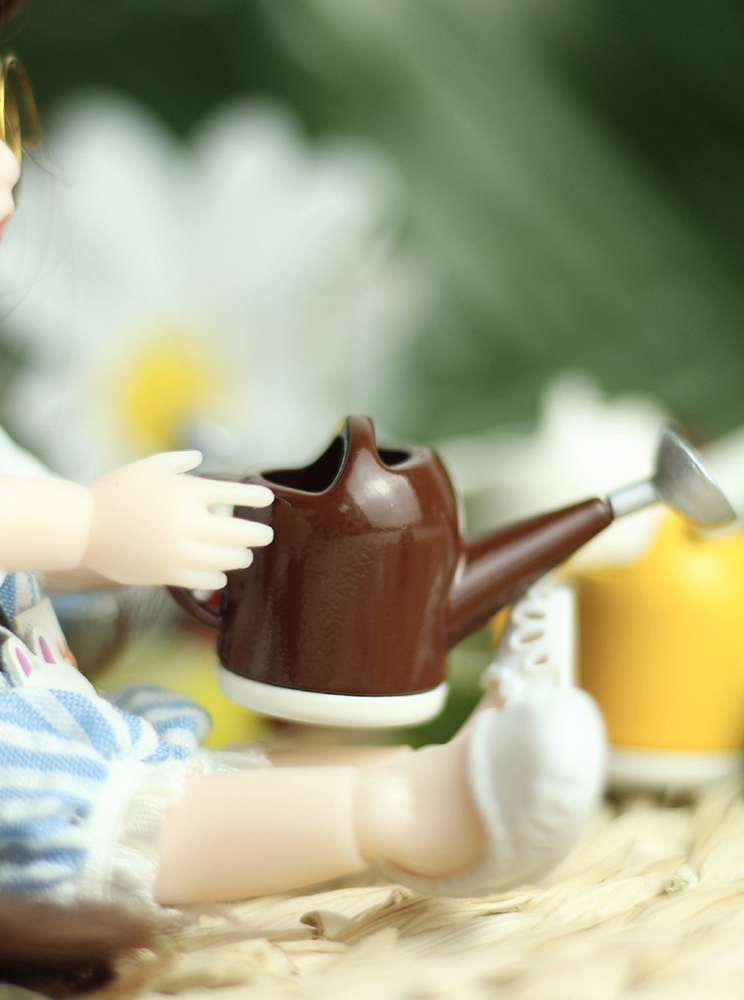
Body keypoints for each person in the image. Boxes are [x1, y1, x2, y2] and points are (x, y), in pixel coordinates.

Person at [0, 0, 606, 916]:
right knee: (132, 817)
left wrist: (127, 547)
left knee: (176, 776)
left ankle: (422, 780)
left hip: (47, 701)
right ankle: (408, 809)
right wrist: (91, 524)